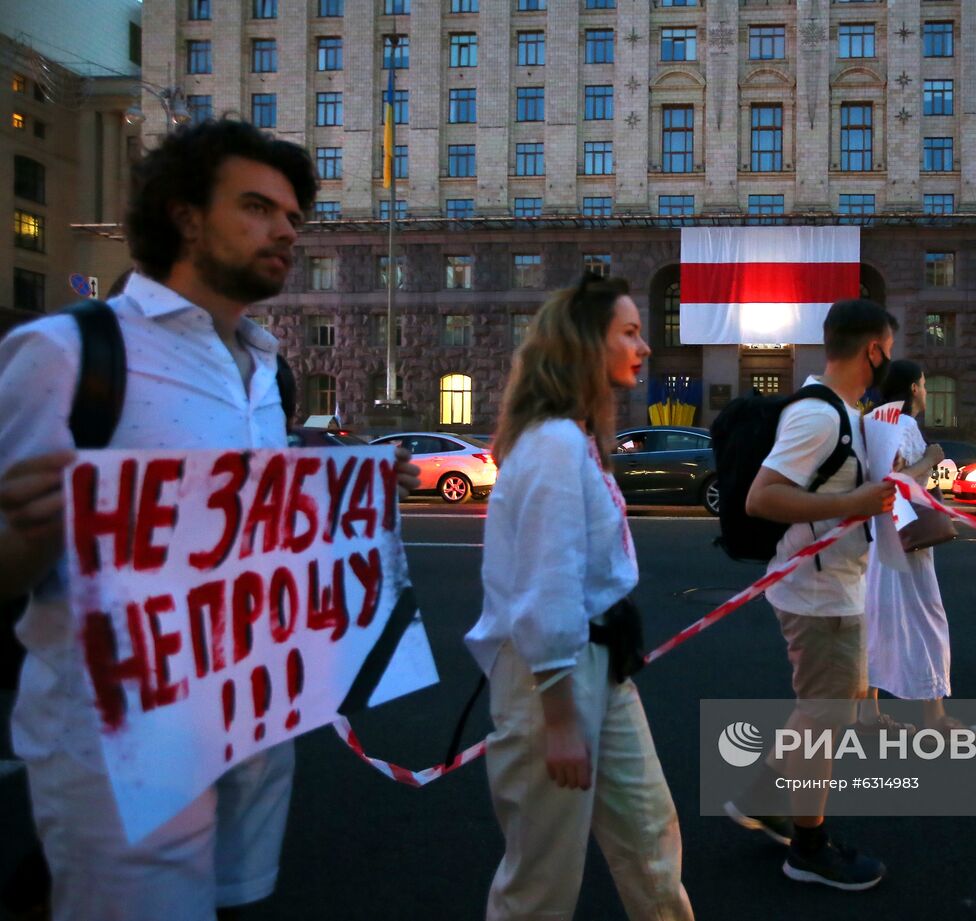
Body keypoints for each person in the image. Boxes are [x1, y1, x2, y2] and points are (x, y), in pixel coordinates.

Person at [0, 118, 419, 921]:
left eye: (295, 217)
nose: (287, 231)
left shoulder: (264, 365)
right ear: (186, 216)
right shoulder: (69, 353)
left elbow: (236, 518)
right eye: (258, 208)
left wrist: (346, 490)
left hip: (255, 732)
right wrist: (44, 524)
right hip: (120, 754)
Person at [464, 273, 693, 921]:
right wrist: (561, 717)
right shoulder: (556, 445)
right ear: (586, 346)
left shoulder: (575, 439)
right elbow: (547, 589)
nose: (644, 346)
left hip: (600, 666)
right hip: (552, 681)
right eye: (628, 332)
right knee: (541, 881)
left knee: (650, 837)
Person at [725, 299, 899, 891]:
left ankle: (759, 798)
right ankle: (808, 848)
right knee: (824, 720)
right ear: (873, 349)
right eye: (888, 351)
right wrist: (851, 503)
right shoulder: (818, 416)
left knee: (825, 711)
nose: (890, 362)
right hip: (818, 596)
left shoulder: (848, 412)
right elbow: (761, 497)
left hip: (839, 587)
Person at [863, 360, 959, 731]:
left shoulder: (873, 422)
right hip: (908, 537)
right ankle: (934, 716)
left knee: (877, 618)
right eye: (923, 382)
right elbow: (896, 479)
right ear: (913, 388)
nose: (925, 389)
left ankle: (869, 714)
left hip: (876, 535)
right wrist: (932, 459)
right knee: (925, 618)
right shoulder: (903, 425)